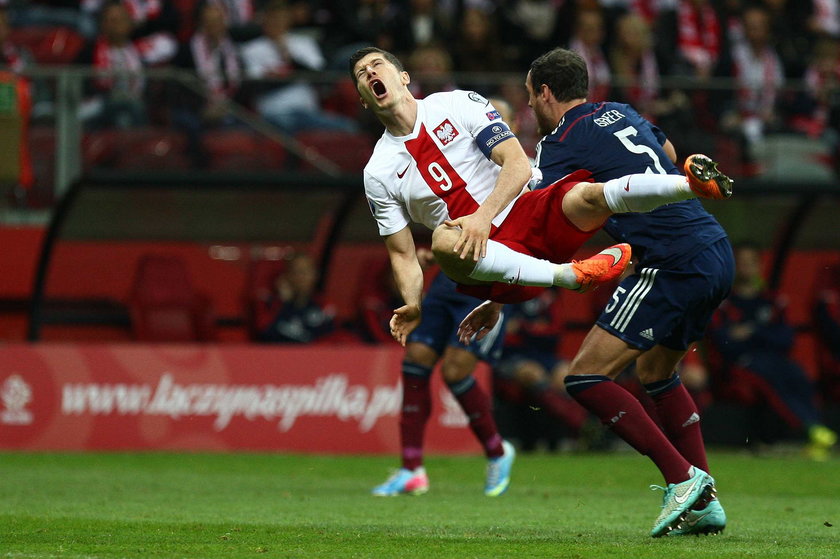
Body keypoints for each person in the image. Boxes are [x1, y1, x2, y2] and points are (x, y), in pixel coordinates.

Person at [457, 47, 734, 537]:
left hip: (671, 259)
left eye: (529, 96)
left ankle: (682, 480)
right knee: (655, 370)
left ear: (544, 93)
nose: (530, 107)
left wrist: (497, 291)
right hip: (713, 247)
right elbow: (668, 156)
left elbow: (543, 229)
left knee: (585, 376)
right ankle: (705, 501)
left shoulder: (560, 142)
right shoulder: (623, 112)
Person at [369, 247, 514, 497]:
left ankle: (497, 452)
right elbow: (459, 229)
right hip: (447, 285)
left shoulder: (509, 206)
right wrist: (436, 254)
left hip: (487, 290)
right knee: (415, 359)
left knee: (454, 371)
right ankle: (411, 469)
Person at [707, 244, 837, 460]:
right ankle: (807, 429)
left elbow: (785, 339)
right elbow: (725, 342)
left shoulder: (772, 301)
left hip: (773, 358)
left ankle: (815, 426)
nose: (746, 268)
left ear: (760, 265)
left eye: (751, 262)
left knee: (797, 374)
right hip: (742, 363)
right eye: (741, 263)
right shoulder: (724, 303)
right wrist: (763, 333)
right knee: (767, 378)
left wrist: (751, 331)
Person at [253, 252, 336, 344]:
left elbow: (330, 339)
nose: (303, 277)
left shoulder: (323, 305)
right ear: (286, 275)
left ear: (316, 275)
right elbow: (266, 334)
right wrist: (283, 301)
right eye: (297, 272)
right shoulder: (269, 303)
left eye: (307, 271)